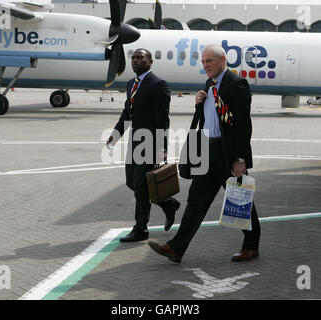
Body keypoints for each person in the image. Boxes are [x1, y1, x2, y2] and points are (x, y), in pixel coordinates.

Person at [148, 44, 261, 262]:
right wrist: (199, 103)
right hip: (207, 152)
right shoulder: (209, 85)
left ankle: (251, 246)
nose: (205, 65)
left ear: (222, 60)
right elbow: (209, 118)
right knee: (196, 202)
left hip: (227, 154)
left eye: (209, 61)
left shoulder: (237, 84)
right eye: (203, 62)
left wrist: (240, 159)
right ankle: (176, 248)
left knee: (240, 200)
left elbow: (243, 126)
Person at [106, 48, 180, 242]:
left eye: (140, 58)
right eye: (134, 58)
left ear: (150, 62)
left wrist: (162, 148)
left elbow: (162, 119)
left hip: (150, 142)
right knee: (132, 182)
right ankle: (167, 204)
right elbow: (127, 113)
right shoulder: (132, 84)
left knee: (140, 187)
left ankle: (141, 228)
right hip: (135, 141)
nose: (136, 61)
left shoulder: (158, 84)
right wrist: (115, 135)